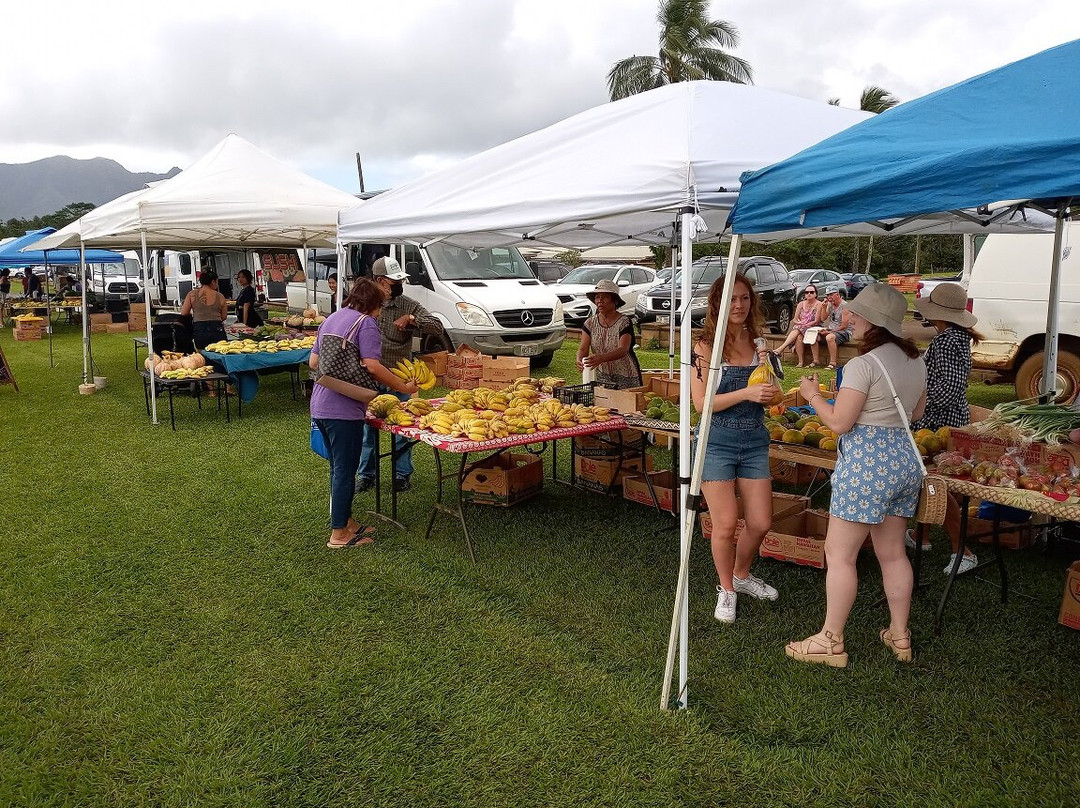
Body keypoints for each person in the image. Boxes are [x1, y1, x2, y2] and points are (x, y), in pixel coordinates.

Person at [785, 284, 927, 668]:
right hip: (903, 462)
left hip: (866, 466)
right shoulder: (916, 360)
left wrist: (812, 395)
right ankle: (900, 634)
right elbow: (914, 416)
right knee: (893, 552)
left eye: (857, 313)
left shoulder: (863, 365)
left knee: (840, 554)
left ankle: (830, 640)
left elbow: (839, 423)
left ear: (870, 320)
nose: (851, 318)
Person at [690, 273, 782, 624]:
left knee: (760, 522)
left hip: (754, 439)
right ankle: (726, 589)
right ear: (718, 304)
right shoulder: (705, 347)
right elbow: (701, 403)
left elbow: (774, 394)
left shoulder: (761, 345)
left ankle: (742, 576)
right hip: (716, 442)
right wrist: (746, 392)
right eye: (732, 299)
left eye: (744, 298)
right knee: (725, 525)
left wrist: (774, 395)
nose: (739, 305)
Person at [309, 278, 417, 548]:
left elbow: (313, 362)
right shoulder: (365, 322)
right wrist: (403, 386)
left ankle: (346, 522)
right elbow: (372, 365)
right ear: (373, 304)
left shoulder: (332, 319)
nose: (381, 312)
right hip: (343, 410)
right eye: (380, 306)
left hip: (321, 403)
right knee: (345, 470)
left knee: (338, 468)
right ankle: (339, 535)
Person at [912, 282, 985, 571]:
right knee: (934, 484)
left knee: (935, 485)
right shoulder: (955, 338)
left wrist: (920, 406)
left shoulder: (947, 341)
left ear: (938, 313)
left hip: (941, 422)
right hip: (947, 419)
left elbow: (950, 388)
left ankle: (962, 550)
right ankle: (922, 535)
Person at [357, 257, 444, 493]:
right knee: (368, 431)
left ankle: (401, 475)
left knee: (402, 431)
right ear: (379, 281)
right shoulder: (365, 305)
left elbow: (436, 326)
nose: (398, 284)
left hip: (400, 379)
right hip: (371, 379)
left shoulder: (408, 304)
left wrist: (413, 319)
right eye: (393, 280)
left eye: (400, 279)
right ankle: (366, 475)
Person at [576, 279, 642, 389]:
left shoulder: (624, 322)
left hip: (627, 376)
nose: (599, 301)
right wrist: (579, 359)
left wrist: (601, 358)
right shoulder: (590, 323)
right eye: (597, 297)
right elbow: (583, 349)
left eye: (604, 297)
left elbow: (623, 349)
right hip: (603, 376)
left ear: (615, 301)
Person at [775, 284, 824, 367]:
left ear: (816, 294)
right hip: (801, 327)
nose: (809, 294)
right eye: (807, 292)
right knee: (799, 337)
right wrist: (799, 323)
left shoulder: (819, 304)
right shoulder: (801, 304)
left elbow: (816, 321)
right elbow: (795, 319)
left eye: (811, 292)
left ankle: (780, 349)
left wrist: (804, 324)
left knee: (798, 330)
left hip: (813, 327)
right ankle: (800, 362)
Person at [180, 268, 228, 349]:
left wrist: (195, 315)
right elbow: (224, 317)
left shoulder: (192, 294)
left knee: (202, 354)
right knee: (219, 352)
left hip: (199, 328)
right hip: (216, 328)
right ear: (213, 281)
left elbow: (184, 313)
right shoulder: (220, 296)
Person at [812, 285, 853, 370]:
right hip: (831, 330)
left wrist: (830, 332)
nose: (829, 297)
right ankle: (816, 361)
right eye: (828, 295)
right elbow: (823, 318)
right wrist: (823, 307)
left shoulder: (845, 306)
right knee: (813, 336)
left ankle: (833, 363)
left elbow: (844, 326)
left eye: (831, 295)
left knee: (830, 337)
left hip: (844, 331)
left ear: (837, 295)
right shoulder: (830, 305)